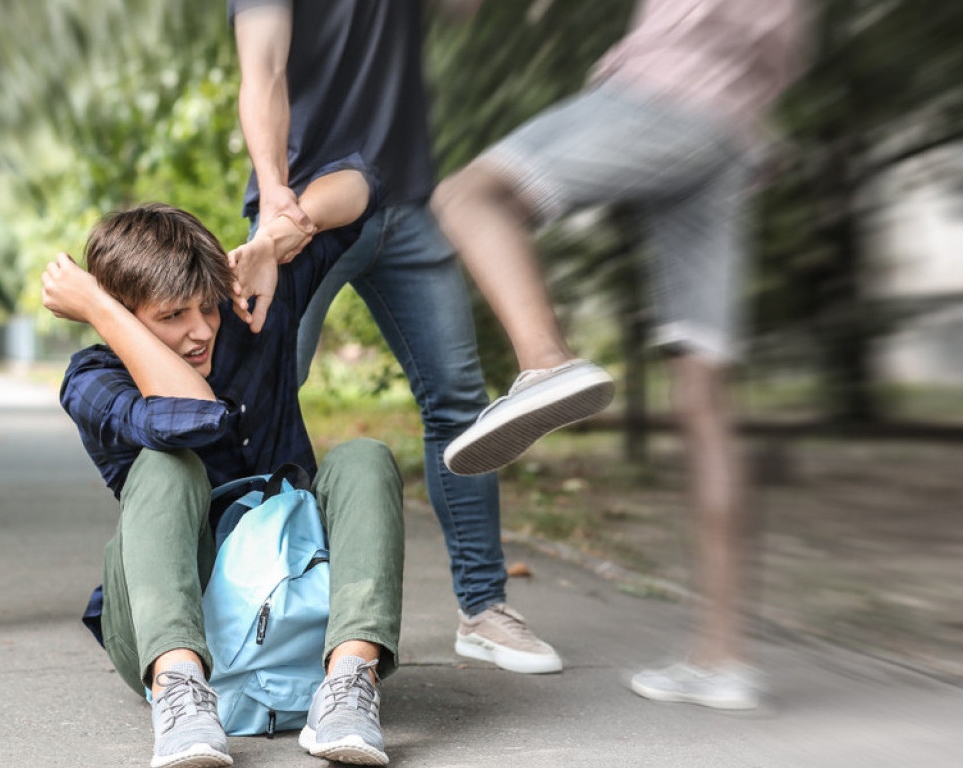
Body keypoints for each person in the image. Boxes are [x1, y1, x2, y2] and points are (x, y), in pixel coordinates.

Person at [431, 0, 809, 709]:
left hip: (661, 92)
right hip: (731, 135)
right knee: (706, 404)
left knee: (470, 196)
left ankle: (547, 362)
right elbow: (783, 50)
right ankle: (723, 660)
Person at [230, 0, 563, 677]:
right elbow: (261, 67)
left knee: (457, 401)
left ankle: (483, 607)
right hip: (301, 212)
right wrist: (272, 197)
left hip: (404, 201)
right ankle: (246, 606)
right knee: (260, 405)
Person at [43, 167, 404, 767]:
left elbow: (368, 190)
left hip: (295, 599)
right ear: (124, 318)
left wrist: (269, 242)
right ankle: (182, 698)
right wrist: (104, 312)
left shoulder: (248, 307)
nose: (200, 330)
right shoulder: (93, 380)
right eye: (171, 316)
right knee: (165, 467)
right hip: (171, 632)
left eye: (205, 308)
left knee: (364, 457)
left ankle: (348, 685)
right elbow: (195, 417)